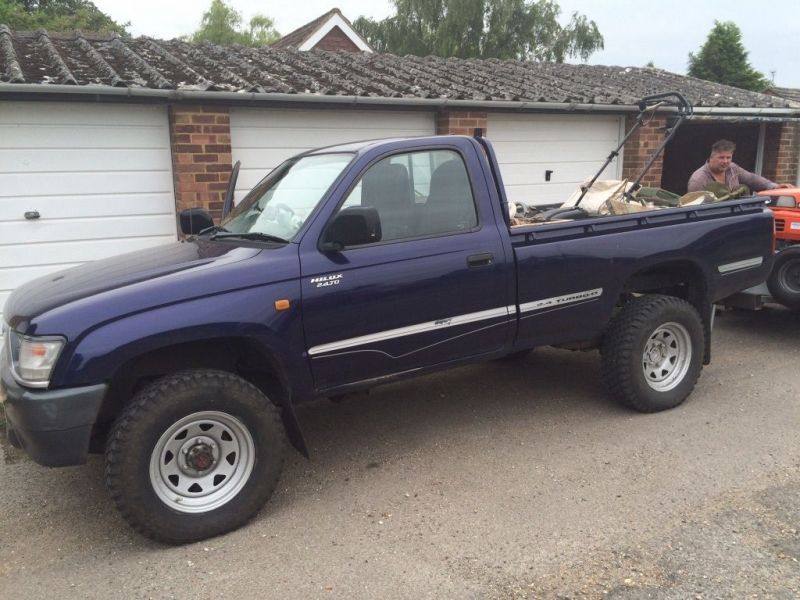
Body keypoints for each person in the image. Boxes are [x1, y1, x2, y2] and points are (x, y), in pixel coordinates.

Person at [687, 139, 790, 194]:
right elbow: (694, 208)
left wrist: (774, 186)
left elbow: (752, 179)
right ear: (711, 157)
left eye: (728, 157)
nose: (726, 161)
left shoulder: (733, 168)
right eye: (721, 157)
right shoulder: (698, 179)